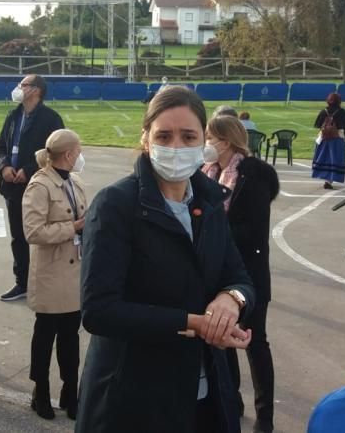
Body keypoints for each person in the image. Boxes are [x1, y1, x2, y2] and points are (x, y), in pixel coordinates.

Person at [78, 86, 255, 433]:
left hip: (205, 396)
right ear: (146, 139)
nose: (176, 146)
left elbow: (239, 275)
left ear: (203, 142)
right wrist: (193, 323)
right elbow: (99, 311)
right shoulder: (116, 205)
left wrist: (231, 301)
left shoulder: (211, 202)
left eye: (188, 136)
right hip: (134, 402)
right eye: (164, 135)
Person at [202, 114, 279, 433]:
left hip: (249, 272)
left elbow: (255, 229)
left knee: (255, 343)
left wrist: (214, 229)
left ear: (226, 139)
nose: (206, 143)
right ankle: (232, 398)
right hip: (215, 274)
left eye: (209, 136)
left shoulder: (252, 174)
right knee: (222, 340)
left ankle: (265, 417)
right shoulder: (209, 172)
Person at [22, 129, 88, 420]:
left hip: (74, 273)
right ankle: (40, 389)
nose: (81, 155)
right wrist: (73, 228)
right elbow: (33, 232)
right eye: (79, 150)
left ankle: (70, 391)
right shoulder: (40, 185)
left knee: (70, 337)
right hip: (50, 274)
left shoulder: (74, 182)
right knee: (45, 335)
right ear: (69, 154)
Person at [0, 74, 64, 301]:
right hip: (12, 187)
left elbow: (55, 151)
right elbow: (1, 145)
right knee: (18, 237)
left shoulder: (50, 119)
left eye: (22, 85)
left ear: (35, 90)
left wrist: (29, 168)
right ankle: (21, 282)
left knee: (45, 236)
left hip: (39, 187)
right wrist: (4, 166)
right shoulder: (13, 115)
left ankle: (49, 283)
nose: (18, 88)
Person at [312, 93, 345, 189]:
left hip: (324, 139)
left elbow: (318, 125)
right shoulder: (342, 112)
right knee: (335, 160)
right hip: (337, 139)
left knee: (324, 159)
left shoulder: (323, 111)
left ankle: (325, 178)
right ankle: (329, 180)